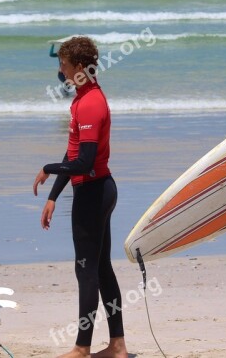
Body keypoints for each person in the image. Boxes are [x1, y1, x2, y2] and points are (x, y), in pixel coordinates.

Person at [32, 37, 128, 358]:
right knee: (101, 269)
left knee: (86, 270)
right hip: (96, 189)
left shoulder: (90, 104)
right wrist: (54, 195)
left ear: (78, 69)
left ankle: (82, 348)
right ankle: (117, 346)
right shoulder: (84, 98)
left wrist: (47, 167)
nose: (60, 70)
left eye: (63, 65)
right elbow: (72, 152)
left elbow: (83, 162)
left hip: (93, 192)